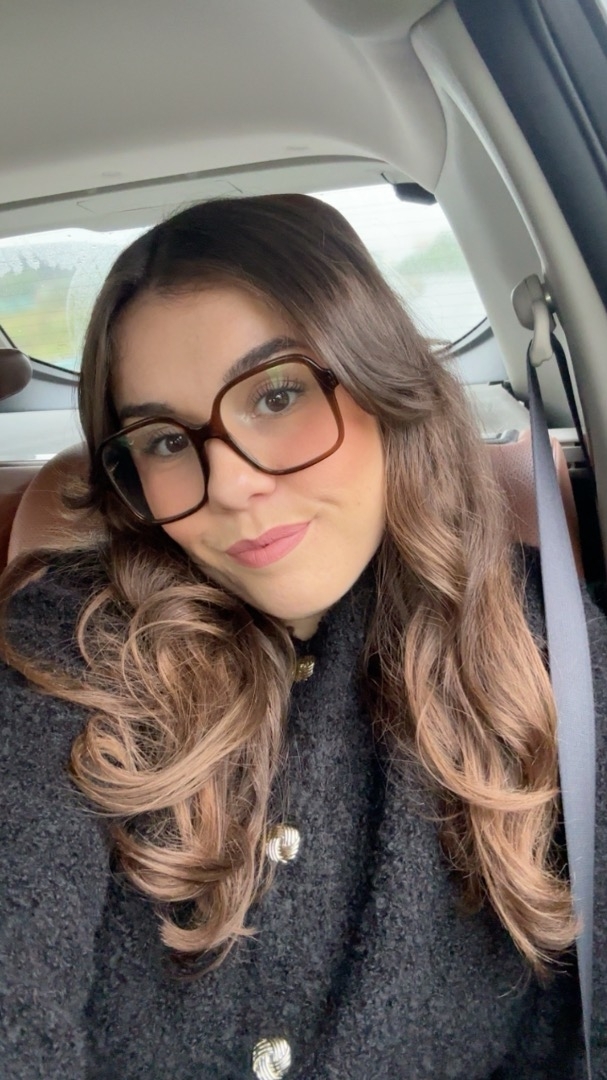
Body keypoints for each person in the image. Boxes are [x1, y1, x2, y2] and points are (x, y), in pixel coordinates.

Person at [0, 194, 606, 1080]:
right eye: (164, 441)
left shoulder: (549, 648)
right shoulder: (69, 647)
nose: (230, 485)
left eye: (276, 395)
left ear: (382, 383)